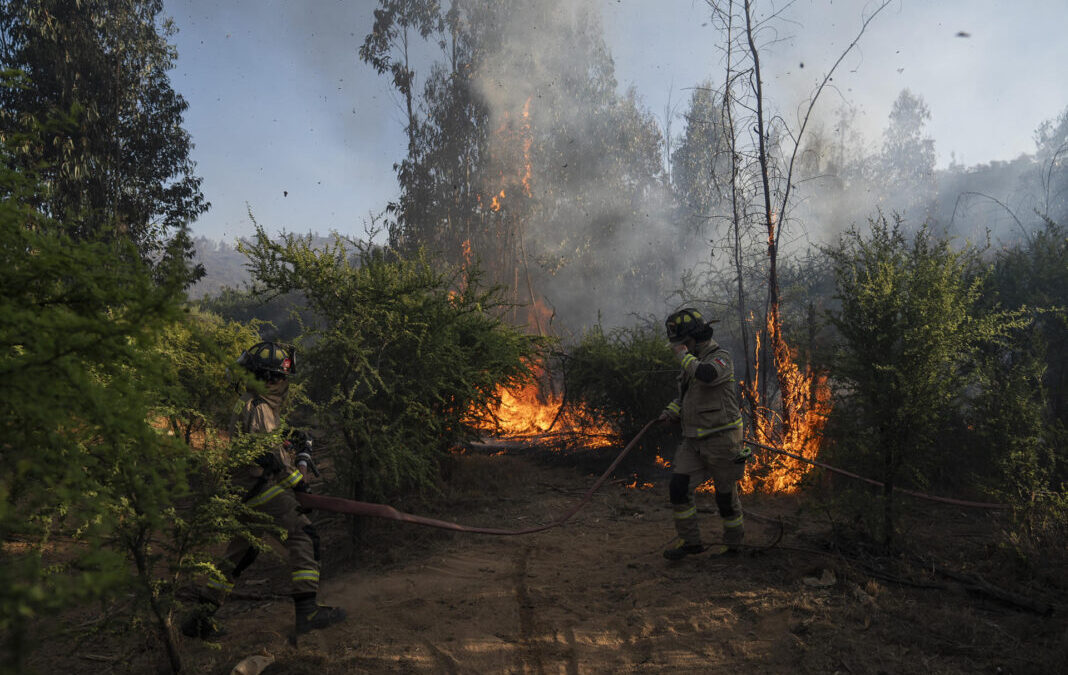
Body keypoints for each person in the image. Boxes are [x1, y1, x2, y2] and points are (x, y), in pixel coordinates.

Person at [182, 341, 346, 639]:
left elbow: (266, 444)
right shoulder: (259, 408)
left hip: (244, 487)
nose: (285, 383)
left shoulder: (253, 403)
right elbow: (272, 461)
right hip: (258, 487)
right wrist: (300, 482)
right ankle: (307, 611)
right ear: (271, 378)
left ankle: (201, 616)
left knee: (242, 551)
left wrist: (290, 439)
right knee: (303, 533)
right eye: (282, 377)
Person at [657, 309, 750, 560]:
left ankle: (733, 546)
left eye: (682, 343)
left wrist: (683, 357)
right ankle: (691, 543)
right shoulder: (692, 362)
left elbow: (707, 376)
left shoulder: (721, 358)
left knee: (725, 496)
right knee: (678, 487)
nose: (679, 348)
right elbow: (686, 396)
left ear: (695, 338)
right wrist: (670, 412)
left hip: (722, 440)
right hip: (694, 442)